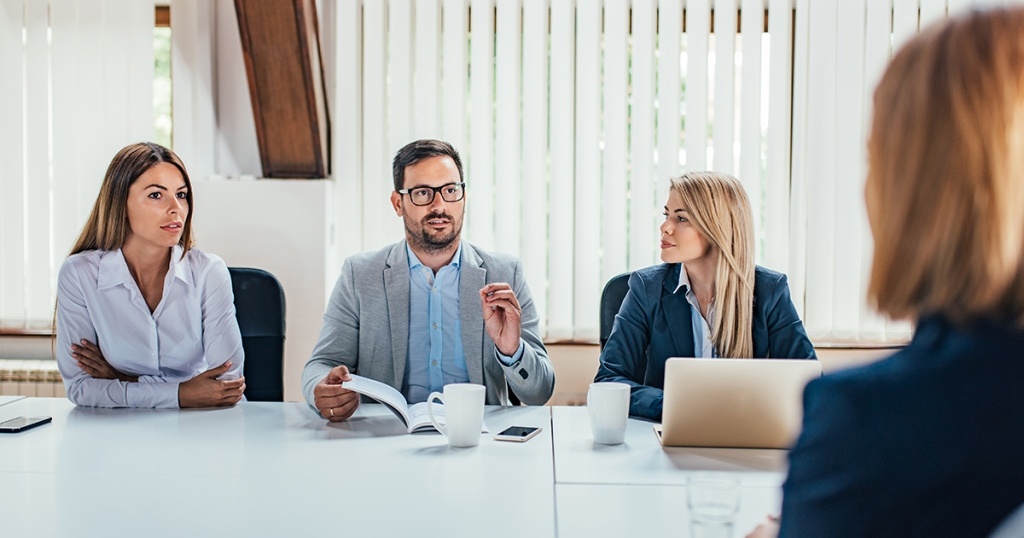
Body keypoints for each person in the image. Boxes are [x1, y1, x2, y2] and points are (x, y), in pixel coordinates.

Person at [749, 6, 1024, 537]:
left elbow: (801, 366)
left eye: (877, 158)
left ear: (916, 189)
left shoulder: (865, 425)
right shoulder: (644, 290)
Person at [302, 139, 554, 421]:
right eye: (423, 193)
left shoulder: (505, 273)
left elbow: (540, 392)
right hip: (384, 437)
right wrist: (320, 389)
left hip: (475, 436)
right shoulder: (359, 275)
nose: (439, 205)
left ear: (464, 197)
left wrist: (511, 350)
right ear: (398, 203)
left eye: (450, 190)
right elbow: (320, 365)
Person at [594, 172, 815, 421]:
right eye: (667, 215)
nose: (665, 227)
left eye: (681, 218)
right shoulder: (646, 288)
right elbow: (609, 380)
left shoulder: (770, 291)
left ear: (716, 228)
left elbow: (807, 381)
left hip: (747, 438)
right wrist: (678, 405)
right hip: (668, 435)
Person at [55, 142, 245, 408]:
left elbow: (227, 386)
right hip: (119, 431)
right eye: (156, 195)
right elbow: (80, 388)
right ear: (120, 203)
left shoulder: (208, 272)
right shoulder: (79, 274)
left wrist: (123, 380)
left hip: (205, 426)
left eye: (181, 195)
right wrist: (182, 393)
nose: (176, 208)